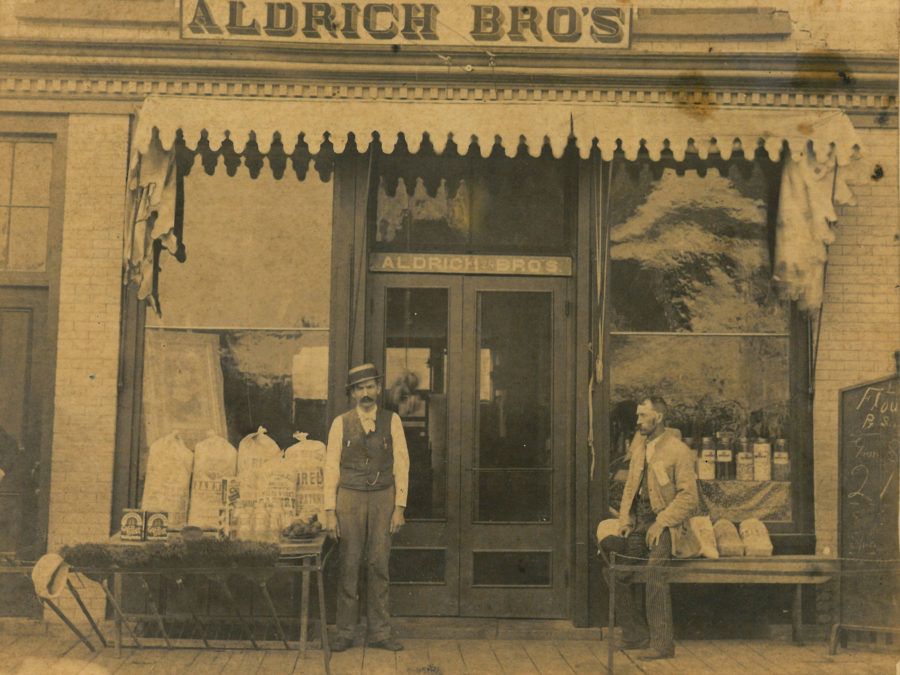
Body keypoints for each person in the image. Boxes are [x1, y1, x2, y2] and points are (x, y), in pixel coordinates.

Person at [599, 395, 700, 661]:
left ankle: (662, 644)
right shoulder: (640, 448)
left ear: (659, 417)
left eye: (643, 416)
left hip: (668, 528)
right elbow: (630, 488)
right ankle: (636, 635)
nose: (638, 421)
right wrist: (626, 522)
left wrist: (662, 522)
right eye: (637, 416)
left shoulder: (678, 451)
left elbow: (689, 498)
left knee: (655, 571)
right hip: (641, 526)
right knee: (614, 571)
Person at [323, 363, 410, 652]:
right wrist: (328, 510)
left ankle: (380, 633)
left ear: (378, 389)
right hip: (349, 498)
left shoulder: (392, 420)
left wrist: (399, 507)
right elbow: (330, 467)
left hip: (383, 498)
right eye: (359, 388)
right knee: (348, 563)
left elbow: (402, 464)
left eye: (370, 386)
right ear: (351, 394)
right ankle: (345, 632)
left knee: (378, 563)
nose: (366, 393)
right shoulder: (341, 423)